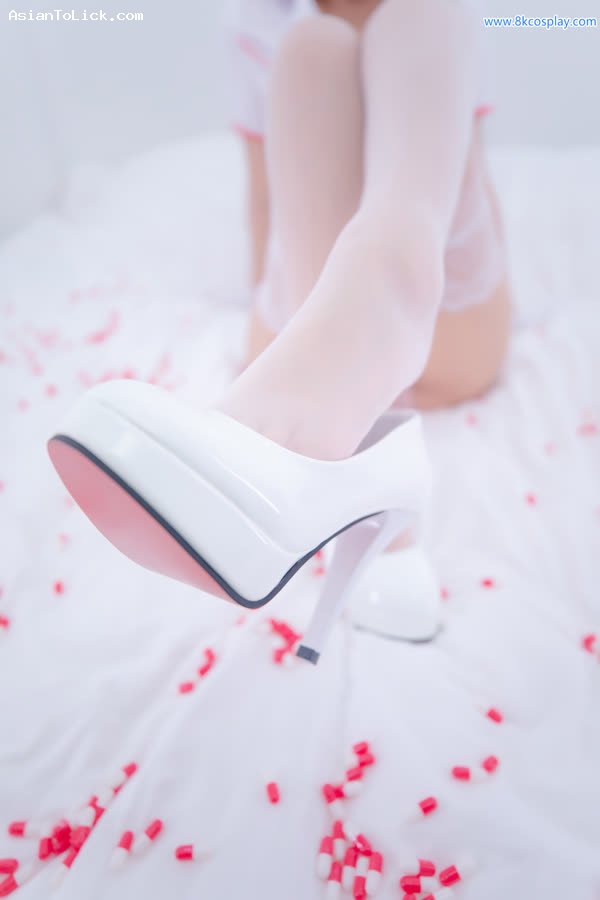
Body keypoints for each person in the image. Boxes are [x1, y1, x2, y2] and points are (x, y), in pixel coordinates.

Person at [46, 0, 513, 661]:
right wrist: (305, 305)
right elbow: (269, 202)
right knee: (311, 51)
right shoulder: (254, 20)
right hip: (305, 298)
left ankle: (380, 308)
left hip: (446, 314)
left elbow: (458, 175)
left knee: (422, 15)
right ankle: (354, 365)